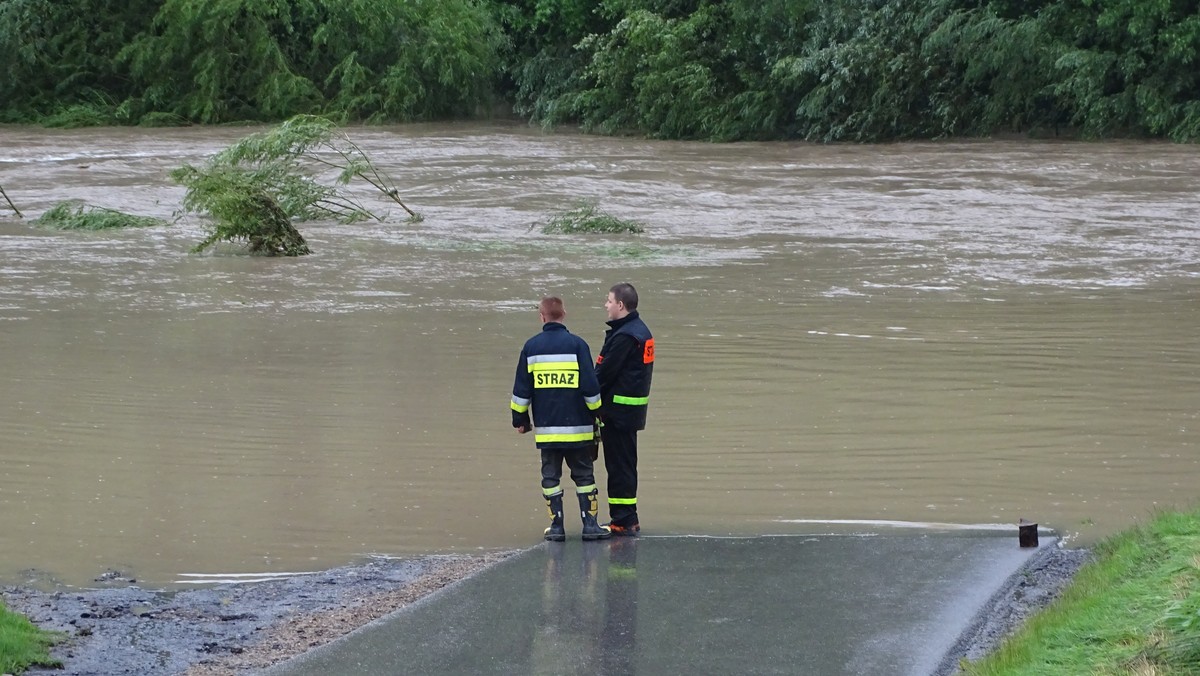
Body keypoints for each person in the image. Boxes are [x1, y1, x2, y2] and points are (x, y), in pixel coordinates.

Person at [512, 296, 610, 541]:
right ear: (564, 315)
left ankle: (556, 528)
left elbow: (521, 391)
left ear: (542, 317)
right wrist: (598, 412)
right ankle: (590, 527)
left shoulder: (531, 348)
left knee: (550, 477)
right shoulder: (578, 345)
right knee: (585, 476)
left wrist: (520, 421)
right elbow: (590, 386)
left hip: (548, 431)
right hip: (579, 430)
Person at [595, 283, 654, 536]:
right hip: (628, 413)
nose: (606, 305)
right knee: (624, 466)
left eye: (609, 301)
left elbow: (605, 374)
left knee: (620, 468)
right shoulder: (637, 331)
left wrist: (584, 394)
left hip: (618, 414)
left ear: (621, 305)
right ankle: (626, 518)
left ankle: (624, 521)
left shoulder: (626, 336)